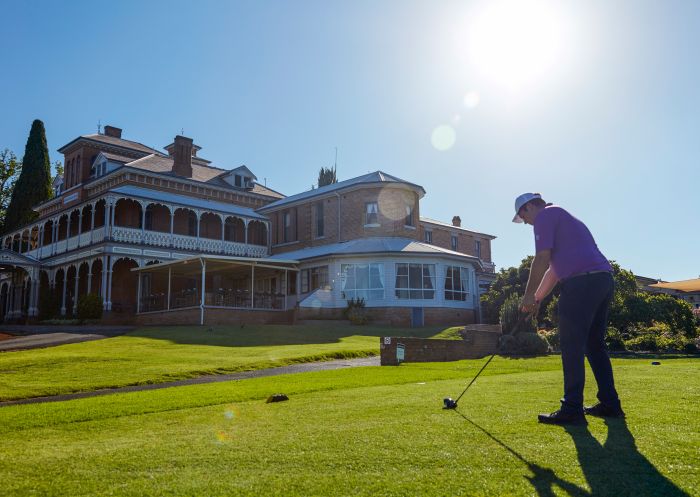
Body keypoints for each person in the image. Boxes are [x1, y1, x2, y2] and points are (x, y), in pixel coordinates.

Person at [513, 192, 624, 425]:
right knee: (594, 344)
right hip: (602, 280)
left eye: (524, 218)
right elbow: (553, 270)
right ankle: (610, 404)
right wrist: (538, 297)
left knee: (571, 344)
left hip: (582, 282)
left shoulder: (545, 216)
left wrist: (526, 298)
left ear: (528, 208)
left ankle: (572, 408)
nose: (526, 223)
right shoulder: (562, 217)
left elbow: (541, 258)